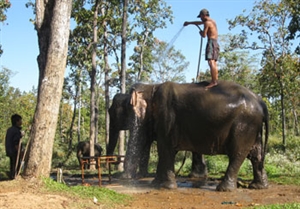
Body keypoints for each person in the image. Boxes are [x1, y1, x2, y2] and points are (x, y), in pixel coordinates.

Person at [184, 8, 220, 89]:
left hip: (211, 42)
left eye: (200, 16)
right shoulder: (212, 21)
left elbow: (204, 35)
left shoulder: (207, 23)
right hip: (215, 43)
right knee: (213, 61)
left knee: (211, 61)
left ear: (203, 15)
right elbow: (200, 23)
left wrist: (200, 32)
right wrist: (189, 23)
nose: (200, 18)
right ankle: (215, 79)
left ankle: (214, 82)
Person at [5, 114, 23, 179]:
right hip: (14, 150)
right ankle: (15, 176)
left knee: (12, 164)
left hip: (9, 150)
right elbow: (16, 142)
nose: (21, 122)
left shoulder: (9, 130)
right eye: (20, 120)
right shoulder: (16, 130)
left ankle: (12, 175)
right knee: (16, 164)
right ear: (17, 121)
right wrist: (19, 151)